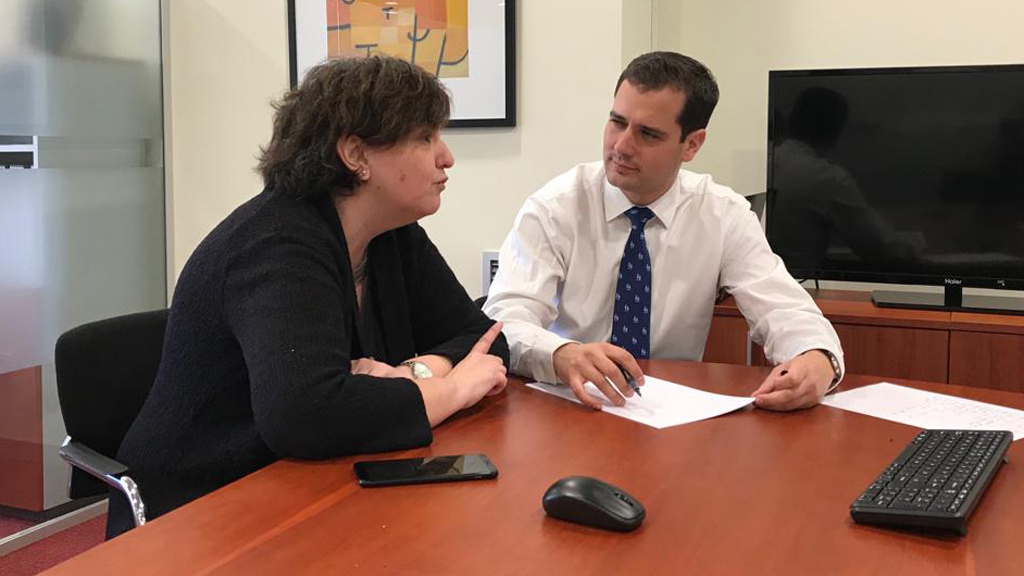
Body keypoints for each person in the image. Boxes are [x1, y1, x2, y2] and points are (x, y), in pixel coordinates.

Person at [108, 56, 509, 538]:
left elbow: (486, 341)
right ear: (356, 155)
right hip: (201, 509)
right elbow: (305, 414)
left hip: (311, 480)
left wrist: (413, 374)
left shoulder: (391, 234)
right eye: (425, 138)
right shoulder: (277, 244)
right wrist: (451, 389)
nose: (446, 157)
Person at [484, 51, 842, 413]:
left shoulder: (723, 214)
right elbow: (505, 320)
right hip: (571, 405)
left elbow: (785, 310)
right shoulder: (555, 207)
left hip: (671, 415)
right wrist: (560, 354)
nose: (621, 146)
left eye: (647, 134)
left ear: (692, 144)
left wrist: (816, 358)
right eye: (616, 122)